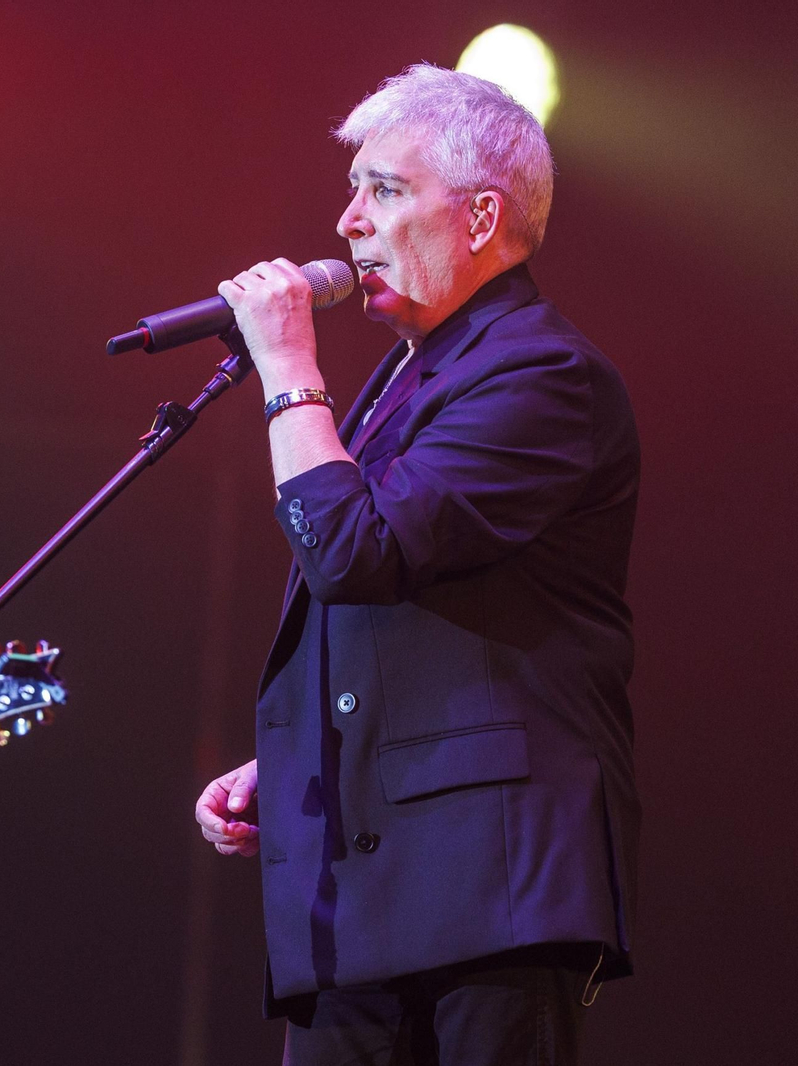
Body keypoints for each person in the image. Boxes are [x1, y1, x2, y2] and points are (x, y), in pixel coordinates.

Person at [192, 65, 640, 1064]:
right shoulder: (412, 375)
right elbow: (409, 615)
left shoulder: (543, 373)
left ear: (481, 217)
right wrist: (302, 758)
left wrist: (289, 371)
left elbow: (353, 553)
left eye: (385, 189)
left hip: (490, 889)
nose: (348, 221)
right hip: (367, 889)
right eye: (353, 189)